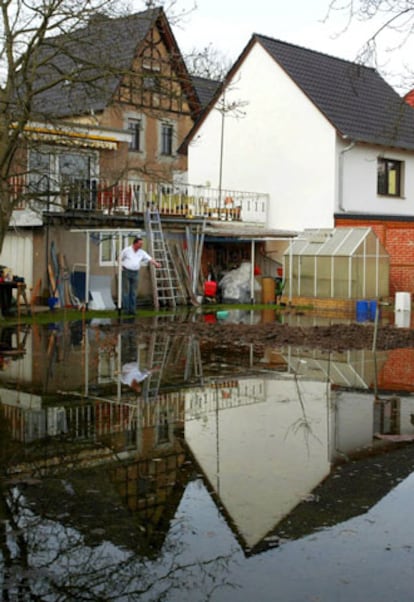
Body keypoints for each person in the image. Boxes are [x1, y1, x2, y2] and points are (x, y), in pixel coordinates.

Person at [119, 236, 160, 315]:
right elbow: (119, 258)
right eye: (140, 244)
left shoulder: (141, 252)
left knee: (133, 292)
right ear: (135, 243)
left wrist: (156, 264)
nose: (141, 245)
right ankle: (126, 310)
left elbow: (149, 258)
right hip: (126, 272)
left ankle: (133, 310)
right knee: (126, 291)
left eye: (142, 244)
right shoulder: (127, 250)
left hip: (135, 273)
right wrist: (120, 267)